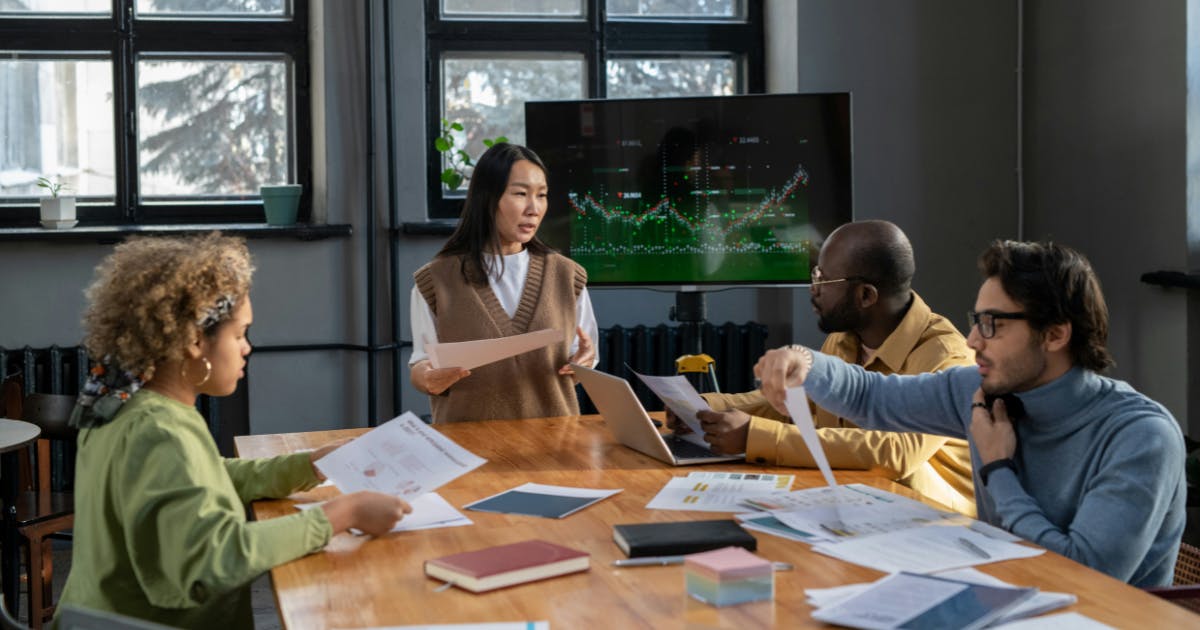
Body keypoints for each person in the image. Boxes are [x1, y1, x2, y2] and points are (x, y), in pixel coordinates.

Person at [753, 240, 1185, 587]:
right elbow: (872, 397)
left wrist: (999, 469)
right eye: (975, 320)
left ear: (1055, 335)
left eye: (993, 324)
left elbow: (1084, 577)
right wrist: (802, 361)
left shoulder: (1139, 435)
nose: (973, 340)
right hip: (1003, 600)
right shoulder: (982, 391)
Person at [57, 233, 412, 628]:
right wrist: (343, 512)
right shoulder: (158, 430)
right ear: (194, 339)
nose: (247, 348)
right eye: (239, 334)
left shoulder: (123, 402)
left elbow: (202, 478)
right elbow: (215, 560)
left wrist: (307, 465)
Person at [681, 220, 978, 515]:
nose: (814, 288)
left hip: (933, 522)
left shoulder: (947, 355)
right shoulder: (845, 338)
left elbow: (895, 451)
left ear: (866, 296)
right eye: (814, 273)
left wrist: (753, 436)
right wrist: (707, 408)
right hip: (856, 504)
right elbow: (799, 402)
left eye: (824, 278)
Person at [409, 142, 598, 422]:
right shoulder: (435, 281)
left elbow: (582, 359)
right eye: (521, 194)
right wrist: (426, 377)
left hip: (554, 447)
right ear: (487, 198)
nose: (534, 208)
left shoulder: (568, 276)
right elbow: (421, 364)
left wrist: (584, 362)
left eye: (542, 195)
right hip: (466, 449)